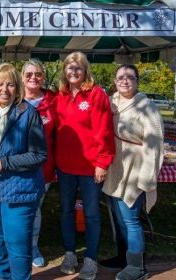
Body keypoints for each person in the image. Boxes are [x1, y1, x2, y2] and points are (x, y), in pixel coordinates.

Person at [0, 63, 47, 280]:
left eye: (10, 85)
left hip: (19, 191)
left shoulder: (28, 113)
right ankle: (5, 277)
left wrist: (4, 163)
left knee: (17, 247)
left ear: (18, 88)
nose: (4, 89)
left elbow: (39, 155)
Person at [54, 52, 115, 280]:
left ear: (85, 70)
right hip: (65, 166)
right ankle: (70, 253)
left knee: (91, 214)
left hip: (91, 167)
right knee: (66, 211)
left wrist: (102, 163)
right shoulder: (59, 95)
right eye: (70, 67)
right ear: (64, 71)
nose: (74, 71)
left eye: (78, 67)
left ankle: (91, 258)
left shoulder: (96, 94)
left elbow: (104, 130)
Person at [104, 64, 164, 280]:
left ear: (137, 80)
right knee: (119, 218)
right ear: (115, 80)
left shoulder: (147, 106)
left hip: (135, 170)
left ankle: (137, 268)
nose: (125, 80)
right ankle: (123, 257)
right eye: (120, 77)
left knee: (130, 219)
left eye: (130, 76)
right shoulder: (112, 103)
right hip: (116, 168)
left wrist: (147, 178)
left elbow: (155, 144)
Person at [21, 58, 56, 268]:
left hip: (43, 167)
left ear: (43, 76)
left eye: (38, 74)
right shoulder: (14, 98)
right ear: (22, 78)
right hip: (16, 166)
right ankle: (16, 246)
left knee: (34, 208)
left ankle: (32, 246)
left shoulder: (53, 99)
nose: (34, 78)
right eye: (29, 74)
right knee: (17, 208)